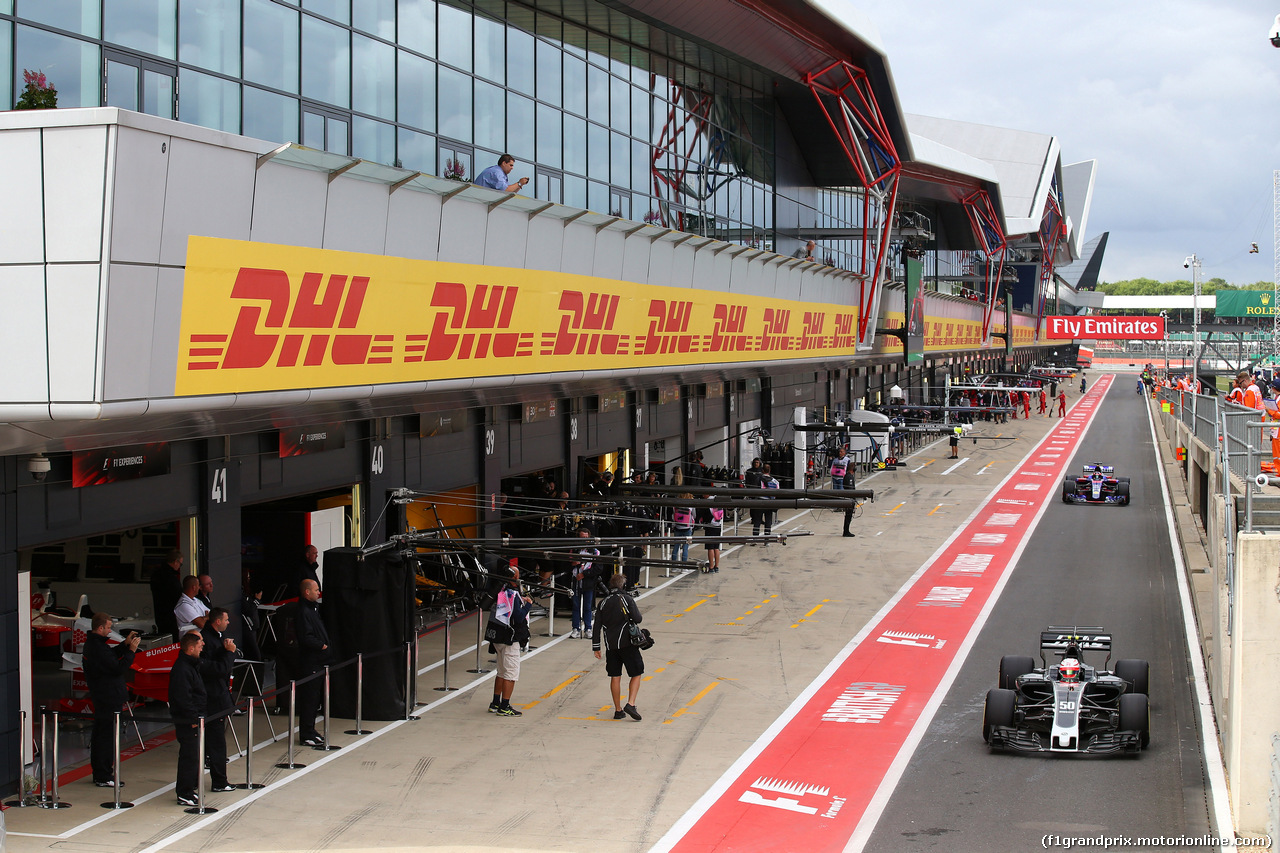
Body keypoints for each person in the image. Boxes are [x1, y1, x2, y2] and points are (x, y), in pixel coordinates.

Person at [83, 612, 140, 787]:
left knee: (103, 734)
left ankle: (102, 772)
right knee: (106, 737)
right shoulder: (97, 647)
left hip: (103, 696)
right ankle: (103, 774)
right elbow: (117, 667)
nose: (109, 631)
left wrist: (124, 645)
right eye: (108, 628)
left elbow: (110, 657)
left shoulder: (96, 645)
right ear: (100, 628)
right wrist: (131, 651)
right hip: (107, 697)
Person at [592, 573, 644, 721]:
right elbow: (638, 618)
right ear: (623, 585)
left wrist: (596, 647)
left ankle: (618, 710)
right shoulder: (626, 599)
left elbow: (596, 627)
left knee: (615, 676)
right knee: (636, 672)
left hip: (611, 646)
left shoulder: (602, 603)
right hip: (627, 643)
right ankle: (631, 703)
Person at [199, 608, 239, 793]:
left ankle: (218, 779)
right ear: (217, 621)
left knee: (215, 741)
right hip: (213, 697)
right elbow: (218, 669)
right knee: (216, 742)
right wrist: (229, 653)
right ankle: (219, 782)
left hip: (216, 694)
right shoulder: (206, 639)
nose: (228, 622)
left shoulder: (215, 637)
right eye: (226, 619)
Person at [168, 631, 206, 807]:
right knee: (189, 756)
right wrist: (192, 718)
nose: (202, 647)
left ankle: (190, 788)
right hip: (187, 720)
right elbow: (183, 697)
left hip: (194, 717)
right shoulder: (182, 669)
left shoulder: (190, 665)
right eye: (199, 646)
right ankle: (184, 792)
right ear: (190, 648)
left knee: (194, 755)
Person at [488, 566, 532, 716]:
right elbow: (519, 617)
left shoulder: (497, 591)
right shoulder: (511, 594)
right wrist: (528, 605)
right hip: (510, 639)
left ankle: (495, 702)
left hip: (497, 637)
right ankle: (504, 706)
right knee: (511, 674)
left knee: (501, 671)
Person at [295, 579, 331, 746]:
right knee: (309, 698)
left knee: (314, 698)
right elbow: (305, 637)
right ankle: (306, 733)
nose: (319, 593)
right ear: (307, 592)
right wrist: (321, 645)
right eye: (316, 590)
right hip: (310, 661)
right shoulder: (303, 611)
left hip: (318, 660)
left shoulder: (313, 609)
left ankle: (311, 729)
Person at [569, 527, 600, 639]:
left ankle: (588, 628)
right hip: (576, 581)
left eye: (587, 537)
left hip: (588, 582)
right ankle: (575, 628)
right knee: (576, 605)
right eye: (582, 537)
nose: (585, 540)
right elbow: (567, 562)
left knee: (587, 606)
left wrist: (585, 574)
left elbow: (598, 568)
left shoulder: (595, 551)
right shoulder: (574, 549)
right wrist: (574, 563)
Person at [150, 550, 184, 641]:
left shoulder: (156, 574)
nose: (179, 567)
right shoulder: (170, 577)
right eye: (180, 564)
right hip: (171, 616)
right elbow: (178, 596)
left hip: (160, 614)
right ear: (176, 562)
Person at [696, 500, 723, 572]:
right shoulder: (719, 504)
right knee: (716, 547)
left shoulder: (708, 504)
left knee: (710, 548)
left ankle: (711, 566)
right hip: (718, 526)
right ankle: (716, 566)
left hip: (710, 527)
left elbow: (702, 515)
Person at [744, 457, 766, 541]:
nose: (756, 464)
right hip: (752, 491)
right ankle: (753, 518)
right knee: (752, 506)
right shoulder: (749, 471)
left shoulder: (761, 471)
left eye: (757, 462)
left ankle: (760, 519)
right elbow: (747, 481)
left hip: (760, 491)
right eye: (755, 462)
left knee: (760, 506)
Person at [671, 496, 695, 562]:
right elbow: (694, 515)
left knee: (676, 547)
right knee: (685, 547)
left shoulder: (676, 504)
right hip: (688, 528)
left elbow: (673, 515)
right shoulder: (691, 505)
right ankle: (684, 565)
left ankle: (674, 565)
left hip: (677, 527)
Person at [760, 465, 780, 540]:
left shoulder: (759, 479)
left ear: (762, 470)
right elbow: (777, 492)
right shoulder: (775, 481)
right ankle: (767, 540)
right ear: (769, 470)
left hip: (759, 502)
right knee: (768, 522)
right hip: (770, 503)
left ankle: (754, 540)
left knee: (757, 521)